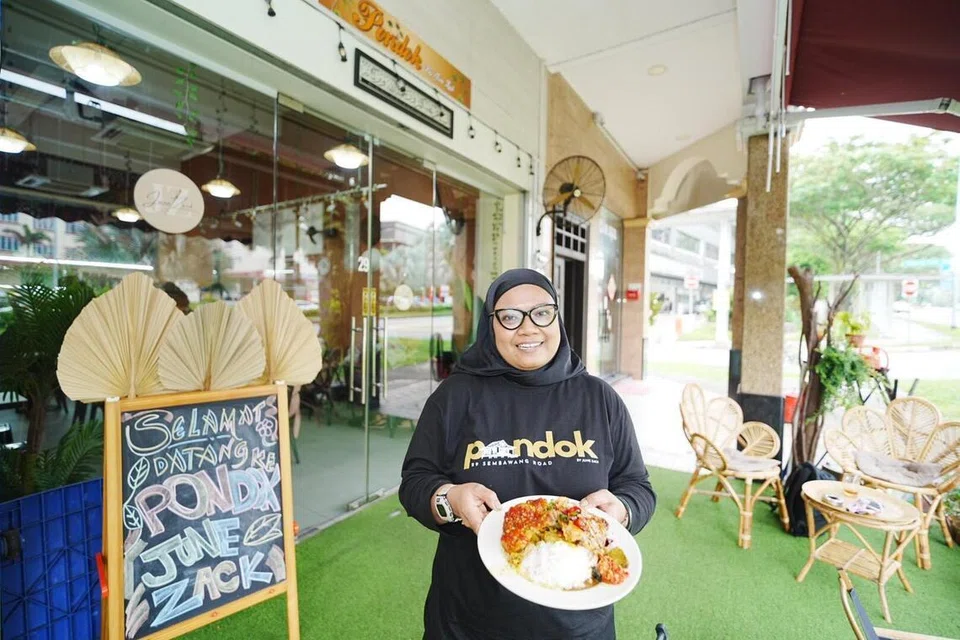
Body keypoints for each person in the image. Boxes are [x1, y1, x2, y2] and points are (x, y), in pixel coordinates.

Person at [399, 268, 656, 640]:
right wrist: (450, 498)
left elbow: (637, 486)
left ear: (557, 318)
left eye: (541, 312)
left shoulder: (599, 399)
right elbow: (415, 482)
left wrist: (622, 510)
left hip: (578, 622)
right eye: (509, 317)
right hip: (469, 617)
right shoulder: (455, 397)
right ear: (491, 327)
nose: (528, 328)